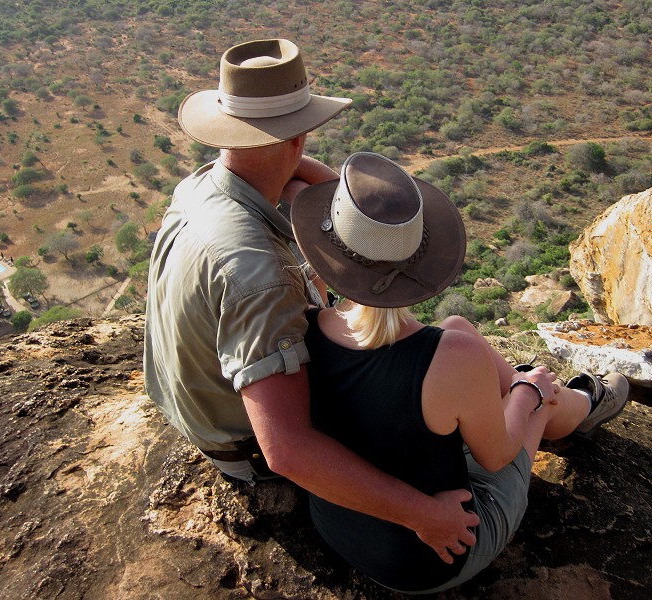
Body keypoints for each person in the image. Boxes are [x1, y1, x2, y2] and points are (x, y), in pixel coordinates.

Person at [143, 39, 479, 561]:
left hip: (194, 406)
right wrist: (424, 515)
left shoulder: (202, 186)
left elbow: (298, 175)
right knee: (431, 382)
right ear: (299, 136)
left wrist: (307, 171)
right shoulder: (261, 274)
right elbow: (287, 450)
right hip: (244, 447)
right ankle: (550, 402)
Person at [290, 152, 630, 594]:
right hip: (432, 556)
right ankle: (579, 406)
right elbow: (497, 456)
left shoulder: (300, 328)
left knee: (456, 327)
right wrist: (526, 392)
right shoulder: (449, 358)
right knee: (533, 397)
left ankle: (574, 404)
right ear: (419, 256)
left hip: (340, 530)